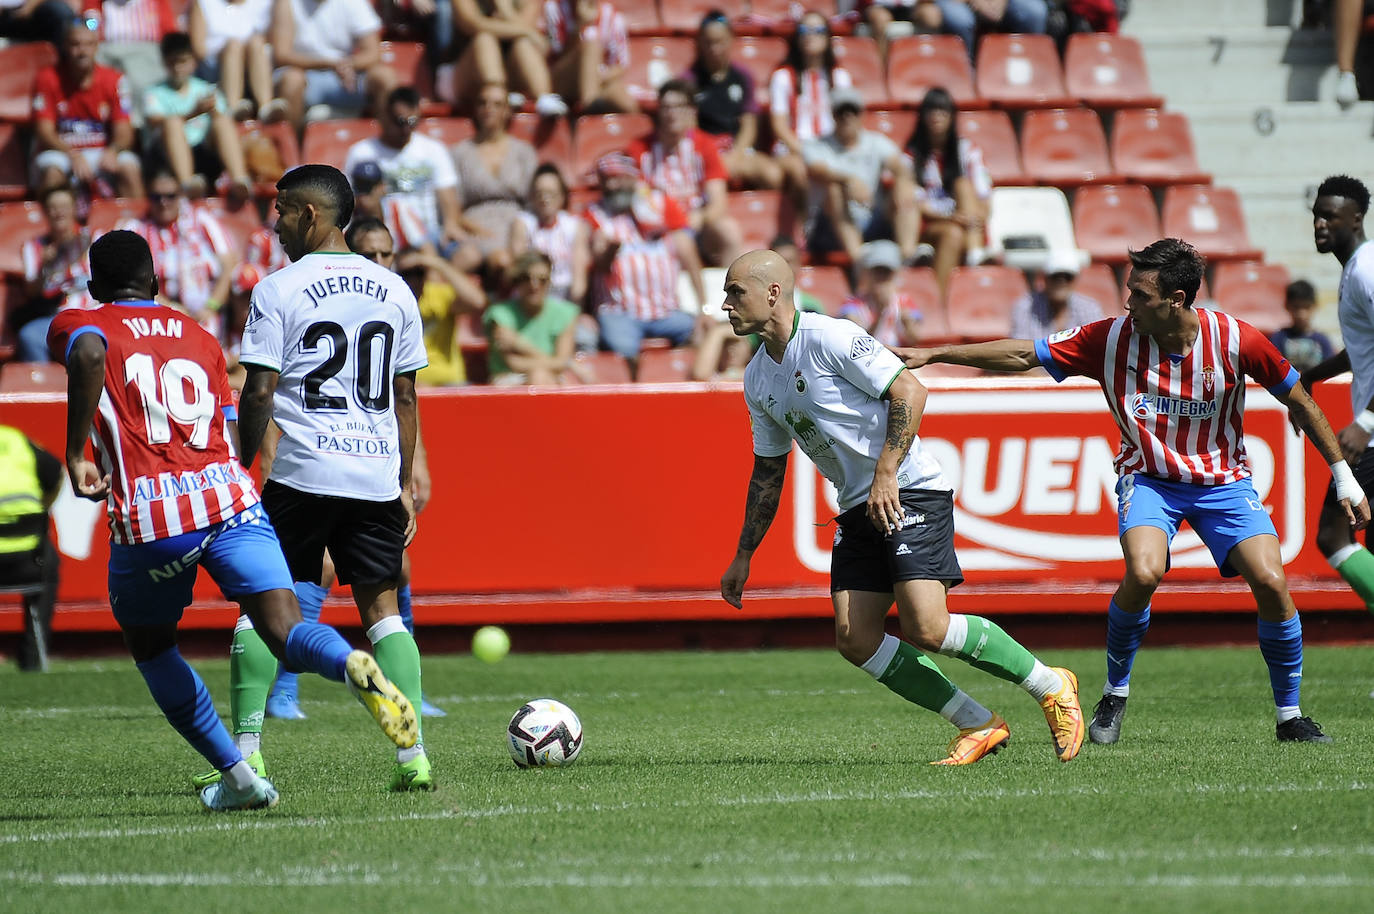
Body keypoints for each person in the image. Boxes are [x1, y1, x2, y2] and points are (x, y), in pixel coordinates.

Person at [897, 237, 1371, 745]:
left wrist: (1343, 475)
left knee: (1274, 583)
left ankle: (1290, 717)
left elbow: (1300, 400)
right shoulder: (1111, 337)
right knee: (1145, 570)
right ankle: (1114, 693)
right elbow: (1022, 354)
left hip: (1223, 483)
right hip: (1148, 478)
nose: (1128, 303)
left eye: (1140, 294)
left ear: (1178, 300)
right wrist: (935, 352)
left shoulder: (1236, 340)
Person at [47, 230, 418, 811]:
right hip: (229, 500)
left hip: (153, 512)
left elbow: (91, 355)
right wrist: (237, 476)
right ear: (158, 282)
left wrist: (75, 454)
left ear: (94, 286)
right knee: (287, 629)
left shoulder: (80, 321)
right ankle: (348, 661)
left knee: (154, 648)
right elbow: (230, 419)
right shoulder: (198, 336)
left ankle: (240, 774)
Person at [718, 249, 1084, 766]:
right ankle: (977, 723)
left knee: (927, 627)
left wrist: (887, 471)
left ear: (772, 293)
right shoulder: (757, 378)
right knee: (855, 637)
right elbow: (768, 472)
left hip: (908, 487)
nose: (725, 304)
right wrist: (743, 555)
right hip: (857, 505)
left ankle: (1051, 685)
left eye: (735, 292)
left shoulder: (830, 337)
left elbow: (910, 390)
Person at [234, 165, 435, 790]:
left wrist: (243, 463)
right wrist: (402, 480)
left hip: (300, 472)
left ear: (311, 217)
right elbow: (405, 396)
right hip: (373, 474)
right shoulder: (396, 290)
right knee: (383, 612)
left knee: (261, 607)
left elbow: (261, 389)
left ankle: (247, 752)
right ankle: (414, 757)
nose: (276, 221)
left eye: (281, 209)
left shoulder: (277, 289)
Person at [1301, 175, 1374, 630]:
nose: (1319, 224)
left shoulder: (1367, 269)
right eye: (1316, 215)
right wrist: (1310, 376)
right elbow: (1362, 346)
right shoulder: (1354, 270)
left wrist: (1366, 420)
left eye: (1330, 216)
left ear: (1357, 219)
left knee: (1333, 534)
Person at [583, 152, 706, 375]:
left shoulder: (659, 204)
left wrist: (703, 308)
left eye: (617, 178)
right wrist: (610, 251)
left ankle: (680, 385)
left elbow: (688, 252)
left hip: (665, 310)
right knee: (623, 348)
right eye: (605, 179)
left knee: (703, 333)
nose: (611, 185)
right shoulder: (596, 215)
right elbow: (597, 263)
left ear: (633, 178)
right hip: (620, 311)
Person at [626, 78, 743, 268]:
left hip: (697, 224)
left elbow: (718, 201)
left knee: (728, 230)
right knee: (678, 241)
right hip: (657, 226)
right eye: (666, 107)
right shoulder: (640, 149)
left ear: (692, 111)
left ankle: (732, 291)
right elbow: (637, 199)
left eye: (678, 107)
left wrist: (700, 217)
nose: (672, 114)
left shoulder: (704, 146)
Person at [343, 87, 467, 265]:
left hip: (428, 231)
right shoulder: (362, 153)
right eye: (400, 121)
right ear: (385, 116)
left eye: (413, 121)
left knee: (469, 254)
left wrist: (450, 224)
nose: (406, 128)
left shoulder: (433, 150)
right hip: (382, 230)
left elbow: (448, 196)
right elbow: (350, 202)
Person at [802, 85, 919, 268]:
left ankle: (908, 255)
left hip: (872, 218)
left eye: (852, 111)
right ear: (833, 115)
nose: (847, 117)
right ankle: (859, 261)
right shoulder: (817, 145)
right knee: (834, 189)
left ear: (861, 115)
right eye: (842, 112)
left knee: (905, 188)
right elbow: (817, 170)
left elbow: (901, 168)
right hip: (830, 229)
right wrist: (848, 181)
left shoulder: (876, 142)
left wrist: (903, 183)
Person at [32, 21, 144, 201]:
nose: (82, 51)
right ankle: (57, 227)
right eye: (75, 44)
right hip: (62, 151)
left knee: (129, 167)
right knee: (52, 171)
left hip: (102, 151)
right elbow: (44, 132)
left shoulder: (114, 79)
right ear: (65, 47)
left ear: (97, 46)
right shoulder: (48, 78)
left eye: (88, 44)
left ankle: (136, 226)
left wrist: (113, 151)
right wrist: (72, 154)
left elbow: (125, 132)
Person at [118, 169, 237, 335]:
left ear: (180, 196)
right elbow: (130, 281)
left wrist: (212, 306)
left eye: (170, 196)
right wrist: (170, 308)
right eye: (156, 197)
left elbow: (229, 265)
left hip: (207, 313)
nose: (163, 202)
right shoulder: (134, 228)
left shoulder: (202, 220)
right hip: (156, 319)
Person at [142, 31, 253, 201]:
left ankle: (240, 180)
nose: (178, 68)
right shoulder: (154, 93)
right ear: (165, 63)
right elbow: (154, 121)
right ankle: (187, 183)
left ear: (193, 62)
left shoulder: (206, 89)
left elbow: (222, 119)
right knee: (172, 123)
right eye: (173, 63)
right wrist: (195, 112)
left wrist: (213, 110)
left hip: (205, 151)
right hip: (168, 155)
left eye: (183, 62)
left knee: (222, 121)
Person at [905, 86, 991, 292]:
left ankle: (973, 253)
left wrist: (971, 216)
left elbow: (984, 195)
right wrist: (953, 217)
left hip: (963, 222)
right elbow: (916, 203)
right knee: (952, 233)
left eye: (943, 111)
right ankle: (944, 294)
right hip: (929, 224)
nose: (937, 117)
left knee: (962, 186)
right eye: (932, 111)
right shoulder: (911, 155)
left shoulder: (966, 150)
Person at [449, 80, 538, 275]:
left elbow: (534, 199)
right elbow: (452, 206)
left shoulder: (524, 152)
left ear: (507, 111)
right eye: (483, 103)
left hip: (517, 225)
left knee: (511, 256)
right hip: (474, 226)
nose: (489, 109)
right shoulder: (460, 153)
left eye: (497, 104)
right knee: (483, 258)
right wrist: (474, 228)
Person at [687, 11, 782, 192]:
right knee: (719, 174)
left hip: (737, 147)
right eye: (709, 42)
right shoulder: (690, 80)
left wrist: (737, 153)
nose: (714, 49)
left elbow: (749, 124)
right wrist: (712, 154)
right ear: (700, 43)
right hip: (705, 150)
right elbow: (691, 129)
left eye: (719, 42)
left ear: (730, 41)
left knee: (773, 174)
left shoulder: (743, 77)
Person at [769, 10, 851, 213]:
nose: (811, 35)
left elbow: (849, 122)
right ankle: (803, 228)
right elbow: (779, 125)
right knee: (800, 171)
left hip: (831, 148)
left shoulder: (839, 77)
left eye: (818, 30)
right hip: (793, 149)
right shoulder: (783, 77)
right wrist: (806, 152)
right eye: (805, 30)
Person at [269, 0, 397, 129]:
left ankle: (389, 140)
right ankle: (292, 145)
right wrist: (329, 63)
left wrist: (347, 64)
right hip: (305, 75)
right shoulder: (287, 3)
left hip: (346, 76)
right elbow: (282, 55)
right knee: (292, 81)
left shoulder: (354, 3)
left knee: (384, 76)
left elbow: (373, 53)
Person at [0, 425, 62, 672]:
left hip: (22, 561)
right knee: (49, 563)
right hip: (27, 563)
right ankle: (33, 657)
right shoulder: (18, 442)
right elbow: (56, 473)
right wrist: (45, 506)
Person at [14, 185, 96, 363]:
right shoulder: (34, 248)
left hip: (93, 313)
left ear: (75, 208)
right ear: (45, 212)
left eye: (64, 207)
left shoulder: (94, 239)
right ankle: (42, 387)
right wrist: (44, 266)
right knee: (29, 336)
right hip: (56, 317)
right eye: (53, 208)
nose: (59, 213)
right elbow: (31, 292)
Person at [484, 249, 583, 384]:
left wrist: (517, 342)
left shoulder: (565, 313)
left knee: (543, 377)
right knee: (539, 376)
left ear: (549, 281)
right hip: (508, 382)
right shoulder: (500, 314)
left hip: (549, 379)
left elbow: (560, 364)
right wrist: (566, 364)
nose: (534, 285)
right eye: (526, 279)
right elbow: (514, 364)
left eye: (542, 279)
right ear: (517, 281)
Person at [508, 162, 590, 305]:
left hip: (565, 296)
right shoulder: (522, 223)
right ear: (532, 197)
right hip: (531, 297)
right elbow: (520, 270)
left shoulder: (575, 226)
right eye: (540, 194)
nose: (545, 199)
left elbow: (579, 279)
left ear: (562, 196)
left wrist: (573, 311)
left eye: (551, 194)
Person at [188, 0, 279, 122]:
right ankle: (233, 106)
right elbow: (199, 50)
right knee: (233, 47)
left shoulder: (265, 3)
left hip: (255, 62)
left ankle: (266, 107)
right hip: (216, 67)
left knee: (256, 44)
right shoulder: (204, 3)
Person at [543, 0, 636, 114]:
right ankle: (590, 104)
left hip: (600, 78)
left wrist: (595, 75)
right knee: (591, 45)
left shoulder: (610, 14)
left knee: (626, 103)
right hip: (562, 79)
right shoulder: (554, 8)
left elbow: (620, 65)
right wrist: (579, 25)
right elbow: (558, 56)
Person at [838, 239, 923, 347]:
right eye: (877, 272)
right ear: (866, 273)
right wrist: (880, 314)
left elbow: (914, 339)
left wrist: (906, 321)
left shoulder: (904, 302)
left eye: (886, 273)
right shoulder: (852, 304)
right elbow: (859, 341)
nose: (881, 278)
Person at [1008, 248, 1104, 340]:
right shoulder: (1025, 307)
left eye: (1067, 277)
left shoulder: (1089, 308)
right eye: (1055, 276)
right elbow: (1019, 350)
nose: (1061, 281)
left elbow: (1096, 346)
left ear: (1075, 280)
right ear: (1044, 278)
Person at [1270, 279, 1333, 374]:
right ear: (1287, 306)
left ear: (1314, 306)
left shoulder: (1322, 341)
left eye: (1306, 307)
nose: (1301, 313)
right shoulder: (1279, 338)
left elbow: (1330, 372)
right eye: (1296, 307)